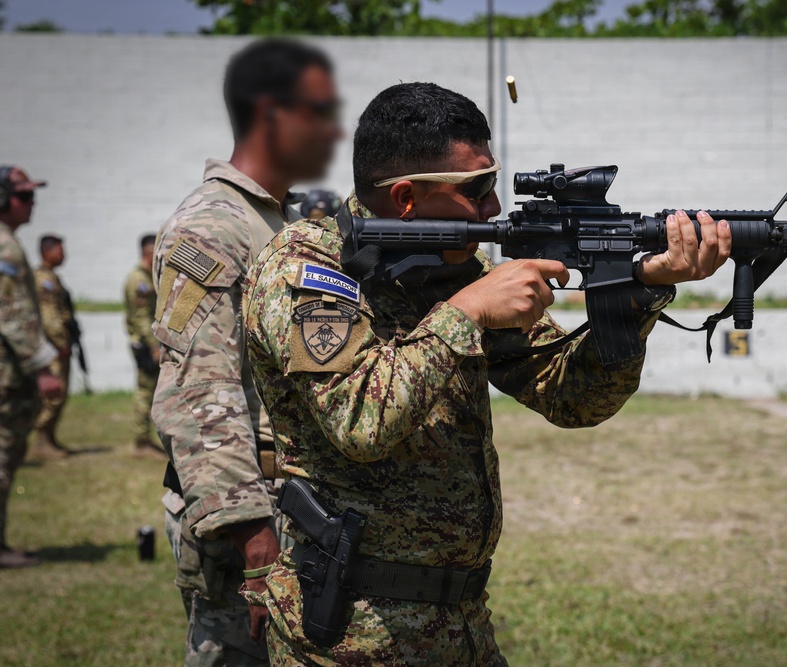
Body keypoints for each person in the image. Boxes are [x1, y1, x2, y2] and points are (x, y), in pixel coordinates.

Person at [242, 82, 733, 666]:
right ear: (404, 198)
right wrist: (468, 312)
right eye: (476, 190)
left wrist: (635, 293)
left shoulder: (451, 270)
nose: (493, 208)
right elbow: (359, 419)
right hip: (353, 632)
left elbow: (572, 396)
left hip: (460, 627)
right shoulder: (308, 266)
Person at [151, 38, 344, 666]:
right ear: (271, 113)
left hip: (294, 507)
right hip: (252, 519)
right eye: (320, 111)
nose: (334, 129)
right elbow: (199, 389)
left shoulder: (274, 222)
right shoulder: (212, 225)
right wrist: (252, 535)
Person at [0, 165, 63, 569]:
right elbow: (11, 313)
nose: (32, 203)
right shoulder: (5, 248)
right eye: (24, 196)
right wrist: (42, 367)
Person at [32, 234, 75, 458]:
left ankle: (48, 438)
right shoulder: (44, 280)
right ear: (47, 251)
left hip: (57, 346)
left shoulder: (52, 277)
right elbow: (50, 318)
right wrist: (61, 343)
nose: (63, 255)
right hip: (52, 348)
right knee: (53, 395)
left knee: (60, 393)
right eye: (60, 250)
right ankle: (40, 441)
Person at [123, 233, 165, 458]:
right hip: (145, 345)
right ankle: (141, 442)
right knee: (145, 392)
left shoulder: (145, 278)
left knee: (149, 390)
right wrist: (154, 346)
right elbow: (141, 318)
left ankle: (145, 440)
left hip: (147, 343)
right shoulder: (139, 281)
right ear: (149, 253)